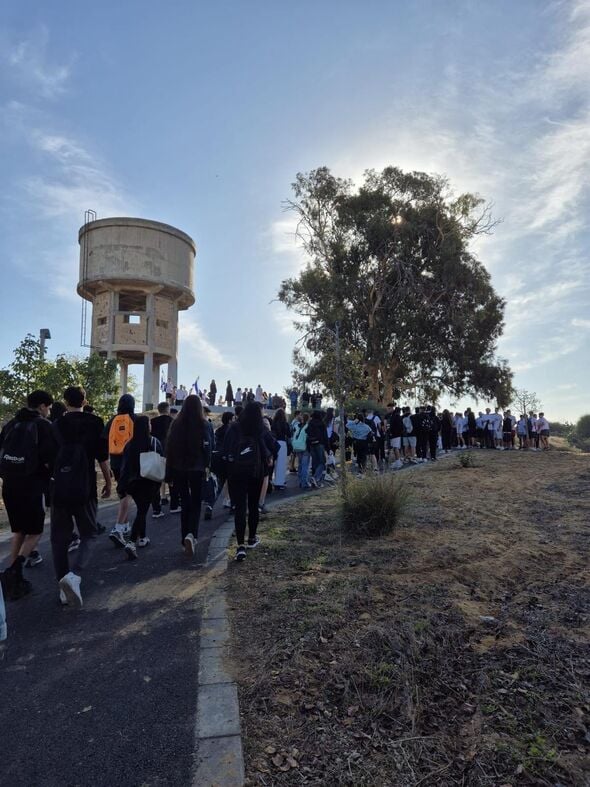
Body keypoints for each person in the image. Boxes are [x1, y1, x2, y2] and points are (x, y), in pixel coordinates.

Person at [50, 386, 111, 605]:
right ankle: (74, 575)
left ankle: (62, 584)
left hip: (59, 488)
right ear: (84, 400)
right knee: (89, 533)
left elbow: (50, 458)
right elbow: (102, 456)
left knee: (59, 539)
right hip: (85, 488)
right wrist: (109, 481)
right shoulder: (95, 423)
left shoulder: (56, 425)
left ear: (65, 401)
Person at [0, 390, 56, 599]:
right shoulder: (43, 426)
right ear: (42, 406)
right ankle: (15, 569)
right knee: (35, 532)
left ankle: (11, 574)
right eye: (48, 407)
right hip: (33, 485)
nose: (49, 411)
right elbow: (52, 457)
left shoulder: (11, 424)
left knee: (18, 531)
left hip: (9, 485)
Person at [222, 402, 272, 561]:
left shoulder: (234, 427)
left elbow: (226, 449)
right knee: (253, 505)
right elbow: (272, 448)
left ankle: (240, 546)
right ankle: (251, 538)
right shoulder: (260, 428)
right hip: (255, 472)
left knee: (240, 508)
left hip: (237, 472)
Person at [165, 395, 213, 557]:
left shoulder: (176, 425)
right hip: (197, 468)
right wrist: (207, 464)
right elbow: (208, 447)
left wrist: (169, 473)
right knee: (196, 502)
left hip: (178, 468)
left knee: (184, 502)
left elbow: (169, 448)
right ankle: (192, 534)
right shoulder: (204, 425)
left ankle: (184, 537)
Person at [117, 415, 164, 560]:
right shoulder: (154, 442)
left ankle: (143, 537)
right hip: (149, 481)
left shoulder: (129, 444)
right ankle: (131, 542)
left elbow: (124, 467)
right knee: (142, 511)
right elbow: (161, 460)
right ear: (147, 426)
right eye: (149, 423)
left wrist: (121, 486)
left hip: (133, 483)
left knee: (141, 509)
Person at [104, 394, 137, 547]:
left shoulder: (112, 420)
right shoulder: (134, 419)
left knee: (123, 492)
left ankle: (124, 526)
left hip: (115, 462)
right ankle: (117, 528)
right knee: (127, 494)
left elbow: (104, 439)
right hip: (130, 461)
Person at [150, 402, 175, 517]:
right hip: (170, 451)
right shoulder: (172, 421)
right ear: (167, 409)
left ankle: (162, 496)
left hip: (156, 451)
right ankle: (174, 502)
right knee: (170, 476)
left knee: (158, 476)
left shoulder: (153, 421)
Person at [306, 409, 329, 487]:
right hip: (320, 444)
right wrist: (328, 448)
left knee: (314, 462)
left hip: (312, 444)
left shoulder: (310, 423)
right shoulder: (322, 424)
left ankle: (314, 480)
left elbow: (307, 433)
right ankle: (315, 477)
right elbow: (325, 436)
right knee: (322, 462)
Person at [271, 408, 291, 489]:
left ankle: (276, 480)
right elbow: (289, 434)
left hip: (274, 443)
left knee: (276, 463)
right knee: (281, 464)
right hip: (282, 443)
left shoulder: (273, 423)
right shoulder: (285, 424)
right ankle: (280, 483)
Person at [291, 413, 310, 488]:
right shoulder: (307, 427)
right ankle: (304, 483)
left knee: (300, 464)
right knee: (305, 465)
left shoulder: (297, 426)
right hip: (304, 447)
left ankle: (299, 481)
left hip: (297, 447)